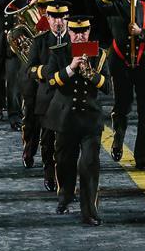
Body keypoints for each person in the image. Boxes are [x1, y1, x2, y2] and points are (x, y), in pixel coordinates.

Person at [43, 16, 112, 225]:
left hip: (90, 119)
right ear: (69, 32)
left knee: (89, 165)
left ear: (89, 31)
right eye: (75, 32)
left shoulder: (99, 54)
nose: (79, 35)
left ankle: (90, 211)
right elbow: (52, 80)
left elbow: (107, 87)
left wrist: (91, 74)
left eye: (84, 31)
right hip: (65, 118)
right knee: (64, 163)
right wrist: (71, 68)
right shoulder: (60, 51)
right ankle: (64, 195)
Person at [97, 0, 145, 169]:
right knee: (122, 105)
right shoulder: (114, 4)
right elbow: (98, 1)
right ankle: (118, 137)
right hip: (119, 62)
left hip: (144, 63)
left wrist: (141, 32)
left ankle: (143, 157)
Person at [21, 0, 68, 191]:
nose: (58, 22)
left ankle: (65, 178)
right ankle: (49, 175)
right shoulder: (40, 41)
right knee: (48, 142)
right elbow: (29, 69)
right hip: (47, 97)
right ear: (47, 18)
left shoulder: (75, 39)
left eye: (62, 17)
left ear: (67, 18)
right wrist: (44, 72)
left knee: (67, 143)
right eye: (54, 17)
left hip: (67, 98)